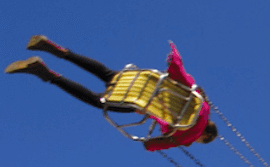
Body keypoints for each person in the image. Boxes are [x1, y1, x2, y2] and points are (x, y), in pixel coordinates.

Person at [5, 36, 217, 150]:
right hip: (138, 100)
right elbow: (164, 142)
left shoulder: (202, 103)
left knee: (107, 73)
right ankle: (46, 73)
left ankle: (61, 51)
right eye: (200, 141)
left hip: (144, 80)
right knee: (98, 101)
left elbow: (184, 79)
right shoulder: (190, 133)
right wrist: (150, 145)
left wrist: (174, 61)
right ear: (205, 134)